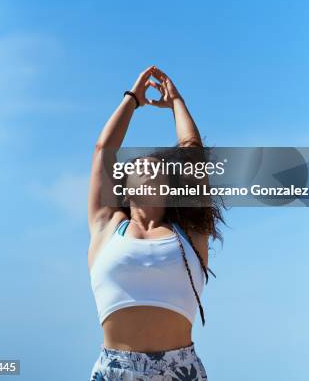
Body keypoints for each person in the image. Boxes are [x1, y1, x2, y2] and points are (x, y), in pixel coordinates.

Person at [88, 66, 225, 380]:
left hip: (179, 369)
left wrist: (177, 101)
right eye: (142, 167)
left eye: (159, 171)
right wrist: (132, 100)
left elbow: (192, 153)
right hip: (115, 370)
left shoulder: (189, 233)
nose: (151, 172)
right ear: (125, 186)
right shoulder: (107, 225)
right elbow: (102, 153)